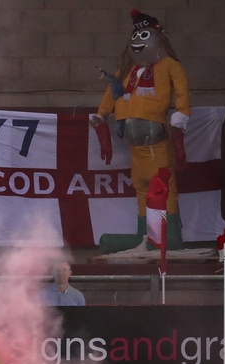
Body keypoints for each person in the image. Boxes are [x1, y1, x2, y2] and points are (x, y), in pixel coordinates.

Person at [91, 9, 190, 254]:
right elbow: (109, 96)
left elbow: (182, 92)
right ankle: (146, 236)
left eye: (144, 34)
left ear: (157, 36)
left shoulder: (169, 65)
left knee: (164, 189)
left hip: (158, 147)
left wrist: (181, 120)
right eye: (136, 35)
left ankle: (170, 237)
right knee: (143, 192)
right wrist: (101, 118)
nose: (138, 41)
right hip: (136, 150)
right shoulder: (126, 71)